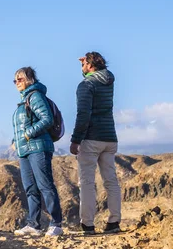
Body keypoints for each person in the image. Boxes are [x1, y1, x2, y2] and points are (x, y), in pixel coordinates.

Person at [69, 52, 121, 234]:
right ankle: (114, 222)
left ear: (90, 66)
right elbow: (99, 72)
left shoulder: (86, 85)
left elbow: (83, 115)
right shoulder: (109, 81)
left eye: (84, 65)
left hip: (91, 138)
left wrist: (75, 140)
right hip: (110, 137)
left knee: (87, 182)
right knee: (111, 181)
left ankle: (88, 225)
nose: (82, 68)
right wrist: (87, 64)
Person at [11, 66, 63, 237]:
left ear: (29, 79)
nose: (16, 83)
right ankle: (33, 225)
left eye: (20, 79)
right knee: (30, 188)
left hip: (39, 147)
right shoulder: (24, 99)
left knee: (45, 185)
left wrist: (27, 134)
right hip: (25, 149)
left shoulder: (35, 96)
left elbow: (47, 119)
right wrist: (16, 141)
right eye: (15, 80)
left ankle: (56, 224)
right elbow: (24, 124)